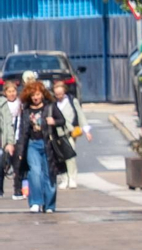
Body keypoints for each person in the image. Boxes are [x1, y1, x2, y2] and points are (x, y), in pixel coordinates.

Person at [14, 80, 67, 213]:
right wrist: (20, 150)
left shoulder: (50, 107)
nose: (35, 98)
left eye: (37, 94)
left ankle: (49, 205)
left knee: (49, 174)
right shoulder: (26, 110)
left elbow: (62, 120)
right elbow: (22, 131)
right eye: (33, 95)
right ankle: (36, 202)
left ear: (42, 94)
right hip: (32, 144)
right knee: (35, 172)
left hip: (48, 144)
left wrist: (53, 121)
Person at [51, 81, 88, 189]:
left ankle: (72, 178)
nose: (59, 96)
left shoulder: (72, 101)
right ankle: (64, 178)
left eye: (61, 94)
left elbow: (80, 115)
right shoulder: (53, 103)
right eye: (57, 94)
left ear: (64, 92)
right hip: (58, 134)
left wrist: (86, 130)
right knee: (60, 157)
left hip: (70, 133)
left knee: (70, 155)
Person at [1, 81, 18, 199]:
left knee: (2, 165)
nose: (11, 94)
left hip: (3, 139)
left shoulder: (3, 104)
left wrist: (10, 142)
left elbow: (8, 123)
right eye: (9, 91)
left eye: (13, 91)